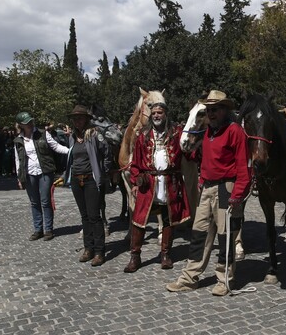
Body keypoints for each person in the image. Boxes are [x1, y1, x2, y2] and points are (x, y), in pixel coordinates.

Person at [166, 90, 251, 296]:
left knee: (225, 236)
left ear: (225, 110)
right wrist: (202, 181)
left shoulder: (235, 132)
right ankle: (189, 278)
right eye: (208, 110)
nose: (211, 114)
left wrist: (237, 194)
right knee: (199, 234)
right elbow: (204, 160)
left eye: (215, 110)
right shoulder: (207, 134)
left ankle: (224, 280)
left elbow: (244, 168)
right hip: (207, 188)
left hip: (226, 188)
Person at [123, 101, 191, 273]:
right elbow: (136, 162)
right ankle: (135, 256)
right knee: (139, 219)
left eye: (159, 113)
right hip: (149, 184)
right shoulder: (143, 136)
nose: (156, 116)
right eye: (153, 114)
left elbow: (189, 150)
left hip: (170, 183)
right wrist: (134, 182)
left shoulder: (176, 133)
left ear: (166, 114)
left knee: (169, 219)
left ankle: (165, 254)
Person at [61, 105, 112, 267]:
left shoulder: (95, 135)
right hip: (77, 180)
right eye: (75, 119)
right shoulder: (73, 137)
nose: (77, 121)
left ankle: (99, 251)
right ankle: (88, 249)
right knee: (84, 216)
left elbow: (107, 154)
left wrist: (102, 173)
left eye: (80, 118)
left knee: (94, 216)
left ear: (86, 119)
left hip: (91, 179)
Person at [13, 112, 69, 241]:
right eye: (27, 122)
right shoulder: (18, 140)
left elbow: (56, 146)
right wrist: (19, 177)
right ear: (21, 125)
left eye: (31, 121)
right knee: (34, 202)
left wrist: (70, 151)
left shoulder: (43, 133)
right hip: (29, 173)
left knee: (45, 201)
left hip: (45, 171)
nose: (30, 124)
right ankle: (38, 230)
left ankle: (48, 229)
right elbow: (18, 160)